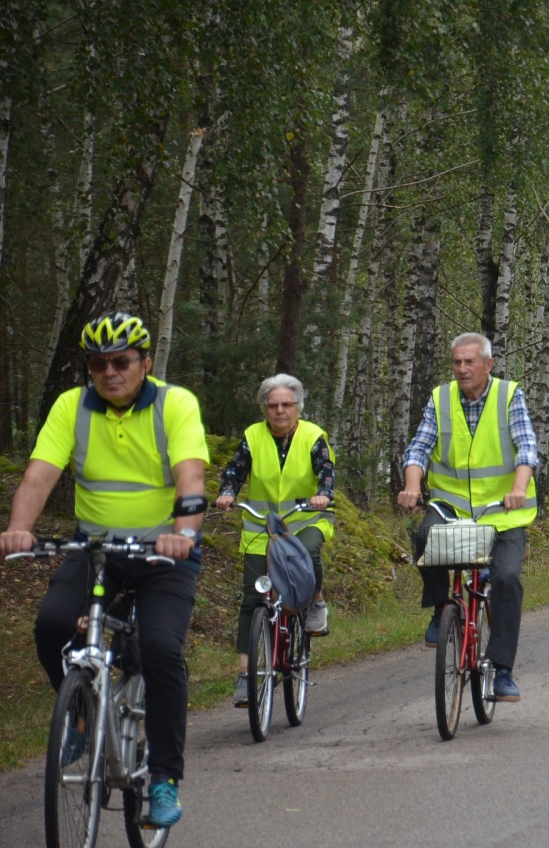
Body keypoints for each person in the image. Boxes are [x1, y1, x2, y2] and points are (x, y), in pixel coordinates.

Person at [0, 312, 208, 828]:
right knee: (52, 626)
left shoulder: (174, 404)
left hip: (164, 553)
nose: (109, 373)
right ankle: (81, 715)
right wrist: (18, 528)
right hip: (95, 548)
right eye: (98, 365)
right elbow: (39, 476)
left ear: (144, 363)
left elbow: (191, 475)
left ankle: (163, 778)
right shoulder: (72, 406)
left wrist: (182, 535)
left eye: (121, 362)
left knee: (161, 650)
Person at [397, 332, 536, 703]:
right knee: (426, 538)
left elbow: (527, 447)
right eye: (457, 362)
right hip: (452, 506)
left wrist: (519, 487)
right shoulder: (440, 399)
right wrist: (413, 486)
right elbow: (419, 447)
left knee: (506, 578)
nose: (462, 369)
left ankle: (503, 671)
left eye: (469, 362)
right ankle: (442, 606)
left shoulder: (509, 396)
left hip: (503, 513)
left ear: (488, 364)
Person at [215, 374, 335, 707]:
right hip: (261, 527)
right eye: (272, 405)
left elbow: (325, 470)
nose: (279, 410)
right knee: (252, 600)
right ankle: (245, 675)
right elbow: (235, 470)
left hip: (304, 521)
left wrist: (324, 495)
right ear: (264, 408)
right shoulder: (253, 436)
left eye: (286, 404)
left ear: (298, 407)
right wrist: (227, 492)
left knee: (310, 553)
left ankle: (317, 602)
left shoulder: (313, 436)